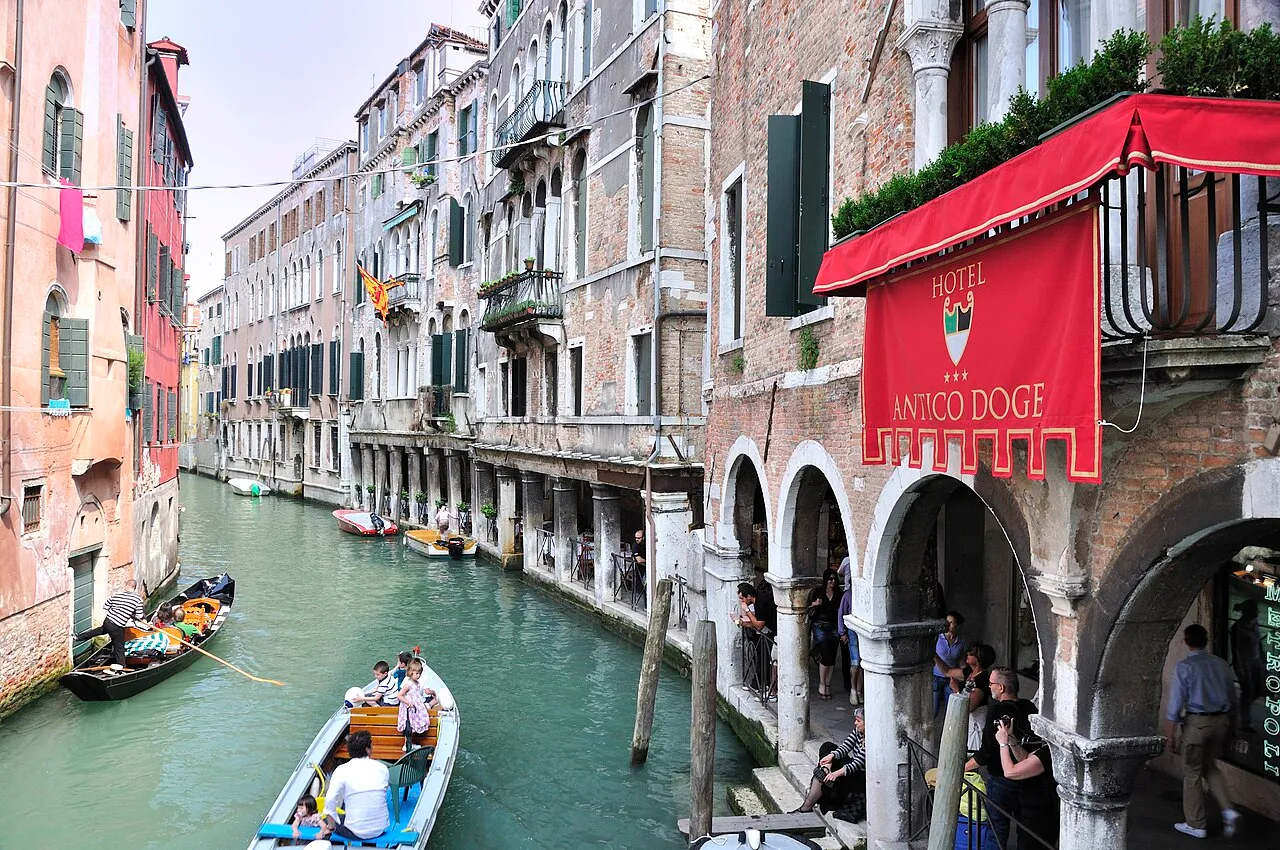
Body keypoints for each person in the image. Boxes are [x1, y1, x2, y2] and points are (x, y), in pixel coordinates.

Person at [1165, 623, 1241, 840]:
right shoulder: (1221, 664)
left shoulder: (1184, 667)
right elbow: (1233, 697)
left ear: (1186, 642)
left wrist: (1170, 735)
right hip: (1221, 722)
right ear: (1206, 640)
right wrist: (1233, 727)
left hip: (1197, 725)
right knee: (1210, 766)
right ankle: (1229, 811)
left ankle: (1195, 823)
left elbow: (1174, 706)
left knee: (1192, 773)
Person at [966, 666, 1038, 850]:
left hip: (1002, 779)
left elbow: (987, 753)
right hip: (1029, 778)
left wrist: (962, 768)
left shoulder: (997, 710)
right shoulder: (1030, 707)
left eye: (991, 684)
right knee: (1026, 830)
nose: (988, 687)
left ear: (1001, 687)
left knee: (996, 830)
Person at [994, 714, 1059, 847]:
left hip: (1040, 818)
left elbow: (1010, 772)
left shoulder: (1049, 754)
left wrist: (1003, 744)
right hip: (1030, 814)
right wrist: (1011, 739)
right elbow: (1024, 759)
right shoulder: (1046, 750)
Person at [318, 730, 390, 843]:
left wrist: (331, 826)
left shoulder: (341, 770)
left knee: (324, 820)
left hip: (356, 831)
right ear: (367, 749)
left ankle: (335, 844)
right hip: (381, 827)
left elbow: (330, 799)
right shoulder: (383, 768)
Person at [795, 708, 867, 819]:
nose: (855, 723)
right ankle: (825, 769)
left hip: (862, 776)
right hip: (851, 767)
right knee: (827, 747)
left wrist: (835, 774)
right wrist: (831, 757)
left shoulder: (872, 740)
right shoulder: (858, 731)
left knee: (834, 770)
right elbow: (845, 746)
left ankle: (806, 808)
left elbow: (857, 763)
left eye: (858, 720)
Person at [73, 579, 146, 665]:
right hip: (117, 626)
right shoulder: (137, 600)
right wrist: (129, 613)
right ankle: (121, 668)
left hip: (107, 622)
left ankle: (79, 637)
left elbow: (106, 607)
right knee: (119, 648)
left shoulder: (116, 595)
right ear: (134, 588)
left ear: (126, 586)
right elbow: (139, 616)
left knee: (99, 631)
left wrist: (118, 611)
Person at [937, 642, 995, 750]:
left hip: (975, 722)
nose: (967, 653)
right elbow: (947, 671)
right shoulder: (969, 672)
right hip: (966, 719)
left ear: (978, 659)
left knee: (970, 751)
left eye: (971, 653)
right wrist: (934, 655)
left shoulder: (982, 679)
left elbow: (970, 707)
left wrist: (956, 690)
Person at [733, 582, 777, 701]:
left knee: (771, 661)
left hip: (776, 633)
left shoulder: (761, 603)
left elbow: (758, 626)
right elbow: (757, 621)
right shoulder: (758, 601)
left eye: (742, 598)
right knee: (764, 658)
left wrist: (747, 610)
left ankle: (770, 690)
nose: (741, 601)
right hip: (770, 632)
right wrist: (741, 622)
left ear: (748, 596)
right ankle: (762, 685)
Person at [808, 570, 842, 700]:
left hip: (834, 627)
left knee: (832, 657)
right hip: (820, 626)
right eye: (830, 579)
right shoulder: (818, 592)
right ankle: (822, 684)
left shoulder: (839, 594)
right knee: (826, 654)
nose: (833, 582)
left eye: (834, 579)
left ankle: (827, 684)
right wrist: (814, 604)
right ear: (826, 580)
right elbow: (806, 606)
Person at [1230, 600, 1263, 733]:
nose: (1257, 613)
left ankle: (1242, 708)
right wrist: (1240, 668)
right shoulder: (1237, 628)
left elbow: (1258, 642)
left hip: (1256, 661)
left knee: (1258, 689)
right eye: (1255, 611)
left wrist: (1263, 658)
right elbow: (1235, 650)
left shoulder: (1255, 624)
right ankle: (1245, 722)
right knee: (1248, 691)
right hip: (1244, 664)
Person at [396, 658, 438, 753]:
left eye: (419, 673)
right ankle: (406, 744)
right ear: (410, 672)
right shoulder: (408, 684)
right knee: (409, 726)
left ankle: (409, 743)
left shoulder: (417, 683)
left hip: (415, 708)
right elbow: (399, 695)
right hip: (409, 709)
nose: (418, 675)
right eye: (416, 673)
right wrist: (408, 703)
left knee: (412, 726)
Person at [934, 611, 967, 716]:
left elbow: (962, 661)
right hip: (936, 676)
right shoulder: (937, 637)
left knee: (951, 710)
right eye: (947, 622)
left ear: (957, 625)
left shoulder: (961, 642)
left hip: (951, 678)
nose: (948, 625)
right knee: (933, 709)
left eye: (951, 622)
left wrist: (967, 673)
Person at [836, 574, 861, 705]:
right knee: (855, 662)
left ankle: (858, 691)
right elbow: (841, 613)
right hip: (851, 631)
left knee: (862, 662)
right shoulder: (847, 595)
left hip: (862, 630)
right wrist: (842, 632)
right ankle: (853, 689)